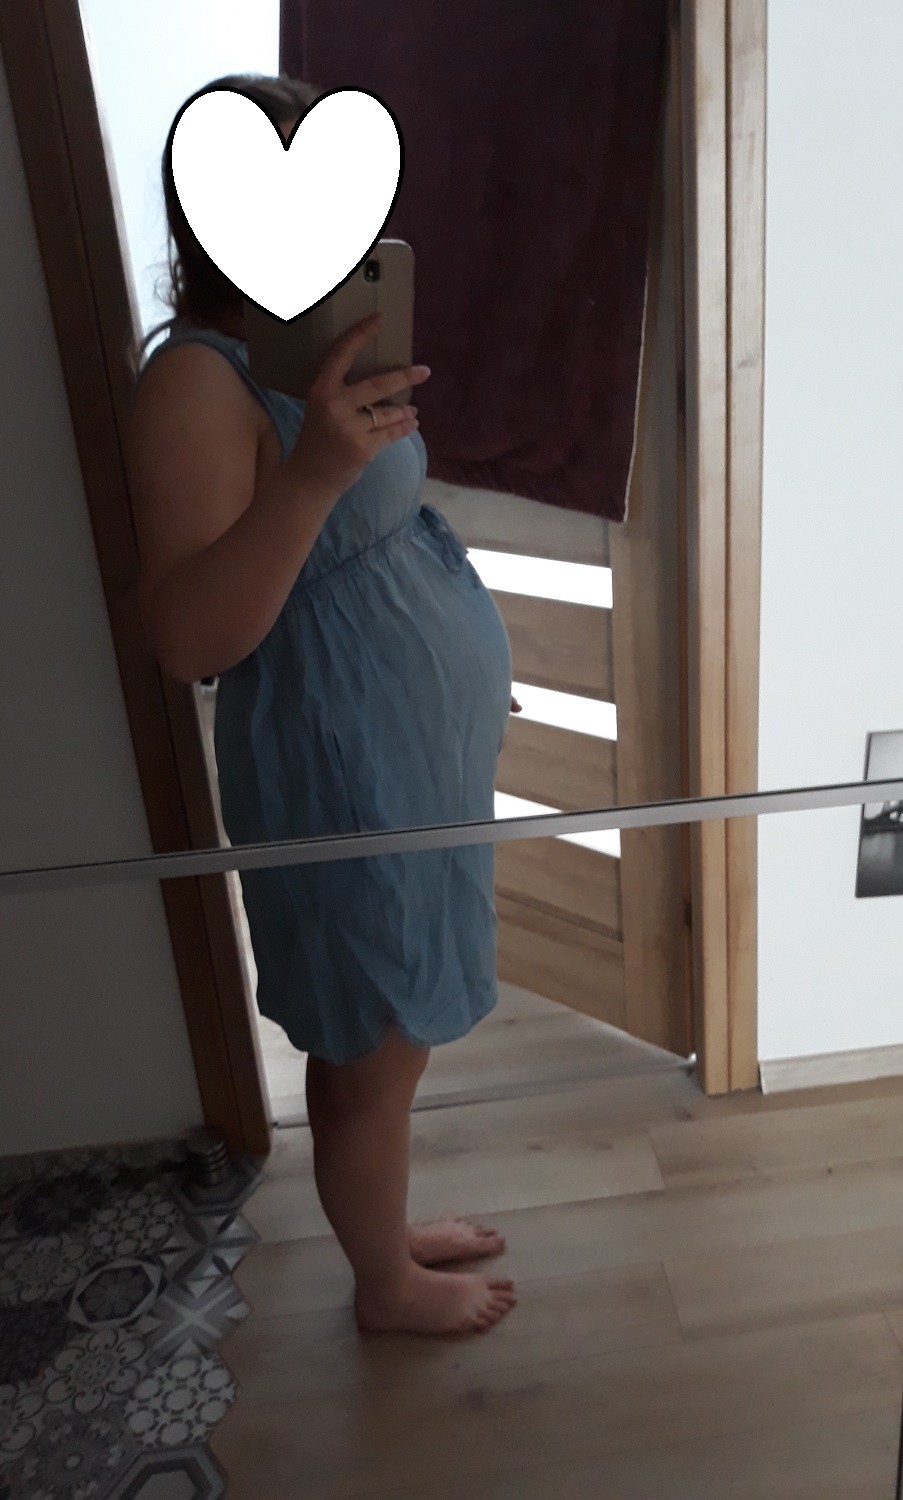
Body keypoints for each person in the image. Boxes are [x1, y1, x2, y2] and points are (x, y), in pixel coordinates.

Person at [127, 74, 518, 1337]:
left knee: (392, 1033)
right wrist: (315, 473)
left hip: (410, 751)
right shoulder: (195, 382)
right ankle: (383, 1288)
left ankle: (382, 1230)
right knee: (367, 1040)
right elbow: (188, 637)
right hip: (340, 758)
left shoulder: (310, 341)